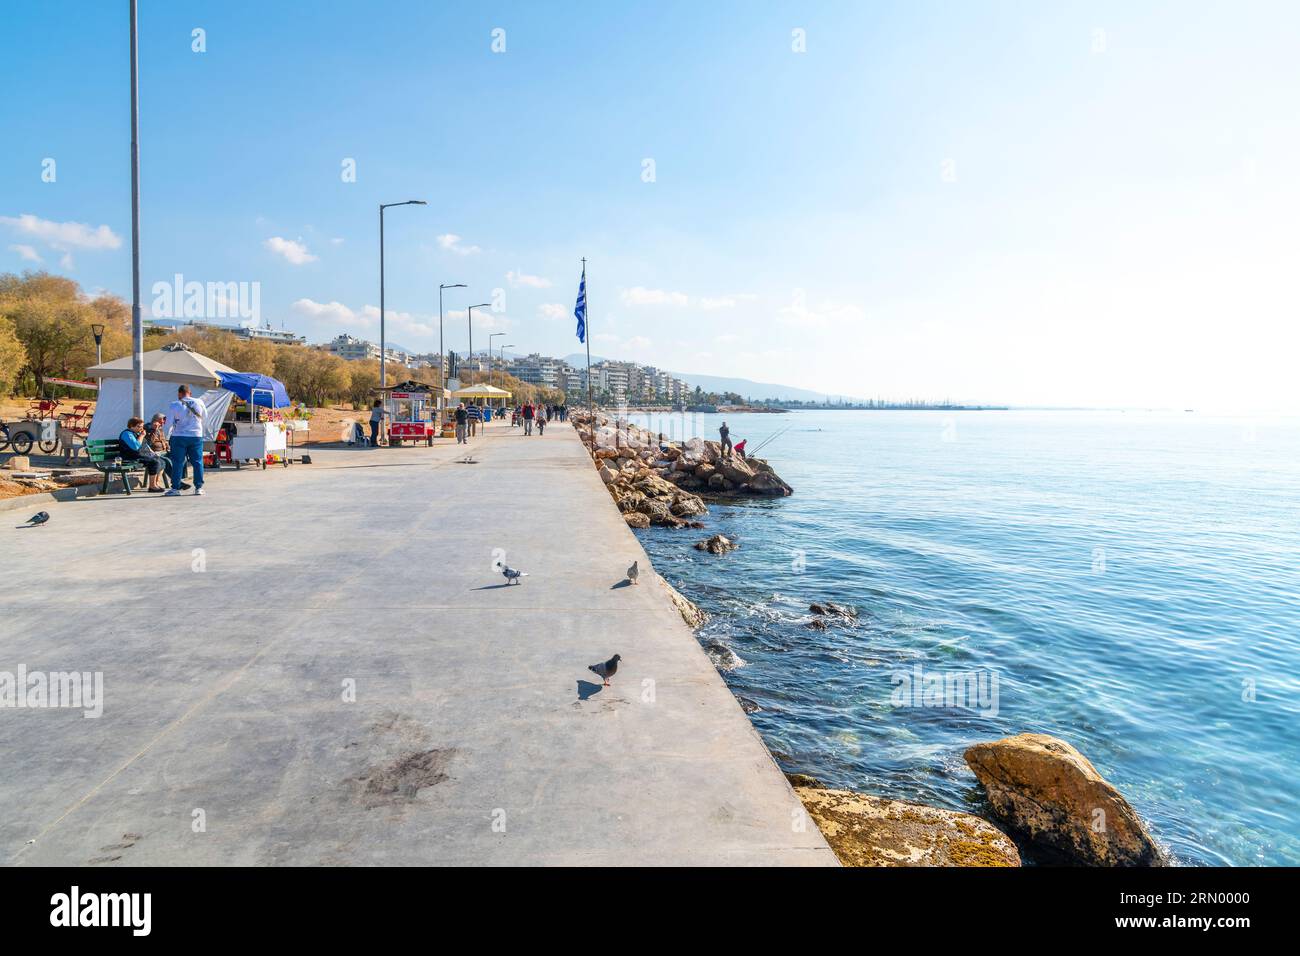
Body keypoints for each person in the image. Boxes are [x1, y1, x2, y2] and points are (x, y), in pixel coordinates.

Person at [165, 384, 206, 496]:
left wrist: (166, 437)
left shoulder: (174, 404)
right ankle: (198, 488)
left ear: (179, 394)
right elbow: (205, 418)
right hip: (196, 436)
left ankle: (175, 489)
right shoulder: (200, 402)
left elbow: (168, 423)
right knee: (197, 462)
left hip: (179, 436)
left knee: (177, 462)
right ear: (190, 393)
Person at [119, 417, 169, 492]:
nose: (141, 428)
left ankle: (155, 483)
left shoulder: (137, 433)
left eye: (142, 426)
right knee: (154, 462)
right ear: (131, 426)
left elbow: (145, 445)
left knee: (162, 461)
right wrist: (142, 436)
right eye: (139, 426)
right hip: (130, 457)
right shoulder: (127, 434)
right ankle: (152, 486)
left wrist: (152, 452)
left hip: (139, 455)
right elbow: (136, 447)